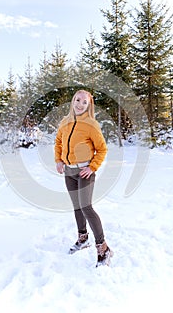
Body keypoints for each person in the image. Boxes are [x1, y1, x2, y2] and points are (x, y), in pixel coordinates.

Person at [54, 89, 113, 267]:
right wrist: (58, 160)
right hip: (69, 172)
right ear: (73, 101)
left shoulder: (91, 124)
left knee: (86, 207)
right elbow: (58, 142)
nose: (80, 104)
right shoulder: (65, 122)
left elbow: (102, 149)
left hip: (84, 172)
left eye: (84, 102)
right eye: (77, 100)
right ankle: (83, 238)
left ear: (89, 105)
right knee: (77, 207)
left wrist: (92, 166)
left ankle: (103, 248)